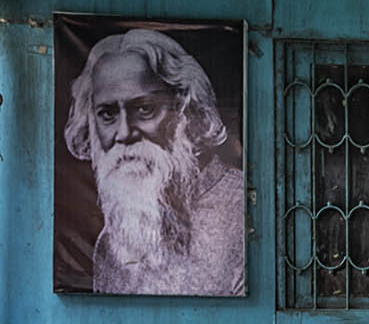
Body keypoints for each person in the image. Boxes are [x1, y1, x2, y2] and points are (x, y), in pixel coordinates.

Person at [62, 28, 245, 296]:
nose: (124, 133)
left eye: (145, 109)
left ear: (185, 110)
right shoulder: (109, 246)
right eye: (107, 114)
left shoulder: (242, 212)